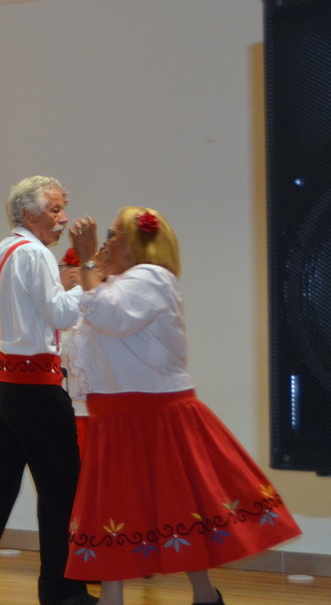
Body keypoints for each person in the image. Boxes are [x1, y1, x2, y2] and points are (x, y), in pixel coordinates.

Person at [64, 209, 300, 605]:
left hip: (154, 414)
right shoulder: (118, 283)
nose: (105, 242)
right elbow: (91, 322)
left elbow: (109, 317)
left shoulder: (153, 277)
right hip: (117, 415)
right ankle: (124, 598)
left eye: (113, 235)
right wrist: (93, 271)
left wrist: (88, 261)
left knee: (180, 507)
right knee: (116, 509)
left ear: (137, 244)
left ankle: (201, 595)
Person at [0, 177, 92, 605]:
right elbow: (61, 315)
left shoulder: (2, 250)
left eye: (62, 208)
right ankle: (62, 592)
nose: (62, 219)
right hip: (35, 389)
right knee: (61, 491)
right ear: (29, 214)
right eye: (55, 210)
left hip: (2, 386)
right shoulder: (34, 253)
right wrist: (88, 278)